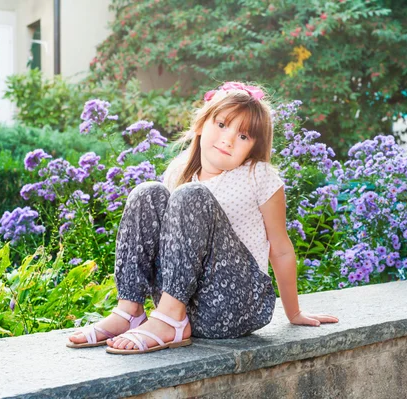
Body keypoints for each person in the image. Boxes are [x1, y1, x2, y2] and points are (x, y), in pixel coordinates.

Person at [67, 81, 339, 355]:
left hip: (235, 305)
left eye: (243, 136)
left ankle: (170, 318)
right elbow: (169, 246)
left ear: (253, 147)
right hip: (188, 305)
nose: (229, 139)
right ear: (201, 124)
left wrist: (294, 313)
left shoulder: (259, 175)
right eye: (221, 125)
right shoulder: (178, 171)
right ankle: (130, 311)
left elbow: (279, 248)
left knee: (192, 195)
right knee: (146, 193)